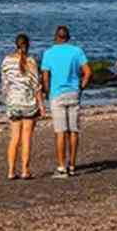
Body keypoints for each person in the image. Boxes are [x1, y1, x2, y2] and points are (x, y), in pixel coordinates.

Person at [40, 25, 91, 178]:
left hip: (57, 94)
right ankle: (72, 165)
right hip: (73, 92)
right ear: (68, 37)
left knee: (60, 132)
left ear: (56, 37)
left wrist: (47, 92)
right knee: (74, 130)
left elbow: (45, 76)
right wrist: (81, 87)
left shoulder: (48, 53)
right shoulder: (77, 51)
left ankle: (62, 166)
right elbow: (88, 72)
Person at [2, 34, 46, 180]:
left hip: (13, 102)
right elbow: (36, 86)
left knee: (14, 138)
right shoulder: (31, 61)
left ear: (15, 44)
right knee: (26, 138)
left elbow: (5, 84)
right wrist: (41, 105)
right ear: (28, 45)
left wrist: (7, 99)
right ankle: (25, 170)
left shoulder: (7, 61)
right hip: (28, 103)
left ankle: (10, 171)